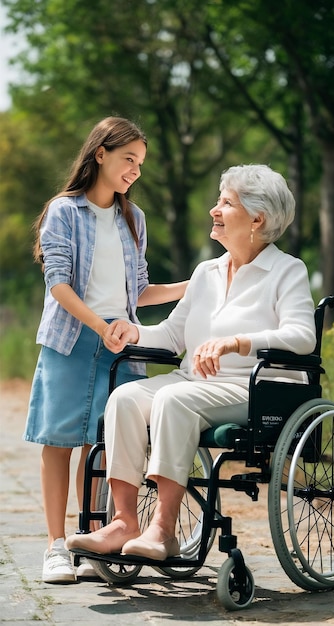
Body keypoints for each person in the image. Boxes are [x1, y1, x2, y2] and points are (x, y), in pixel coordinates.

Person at [66, 163, 317, 562]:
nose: (214, 211)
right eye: (218, 201)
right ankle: (125, 523)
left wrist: (236, 342)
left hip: (255, 387)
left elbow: (303, 337)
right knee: (126, 398)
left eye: (226, 203)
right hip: (196, 382)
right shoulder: (207, 272)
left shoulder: (286, 271)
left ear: (257, 218)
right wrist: (133, 331)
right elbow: (171, 335)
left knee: (174, 401)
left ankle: (163, 529)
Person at [23, 116, 188, 584]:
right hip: (71, 341)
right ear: (101, 154)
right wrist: (102, 325)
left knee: (105, 447)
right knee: (58, 443)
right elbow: (58, 283)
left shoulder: (134, 219)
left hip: (121, 350)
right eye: (128, 159)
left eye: (140, 163)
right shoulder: (64, 211)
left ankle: (93, 539)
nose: (135, 170)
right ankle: (56, 547)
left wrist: (192, 287)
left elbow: (137, 291)